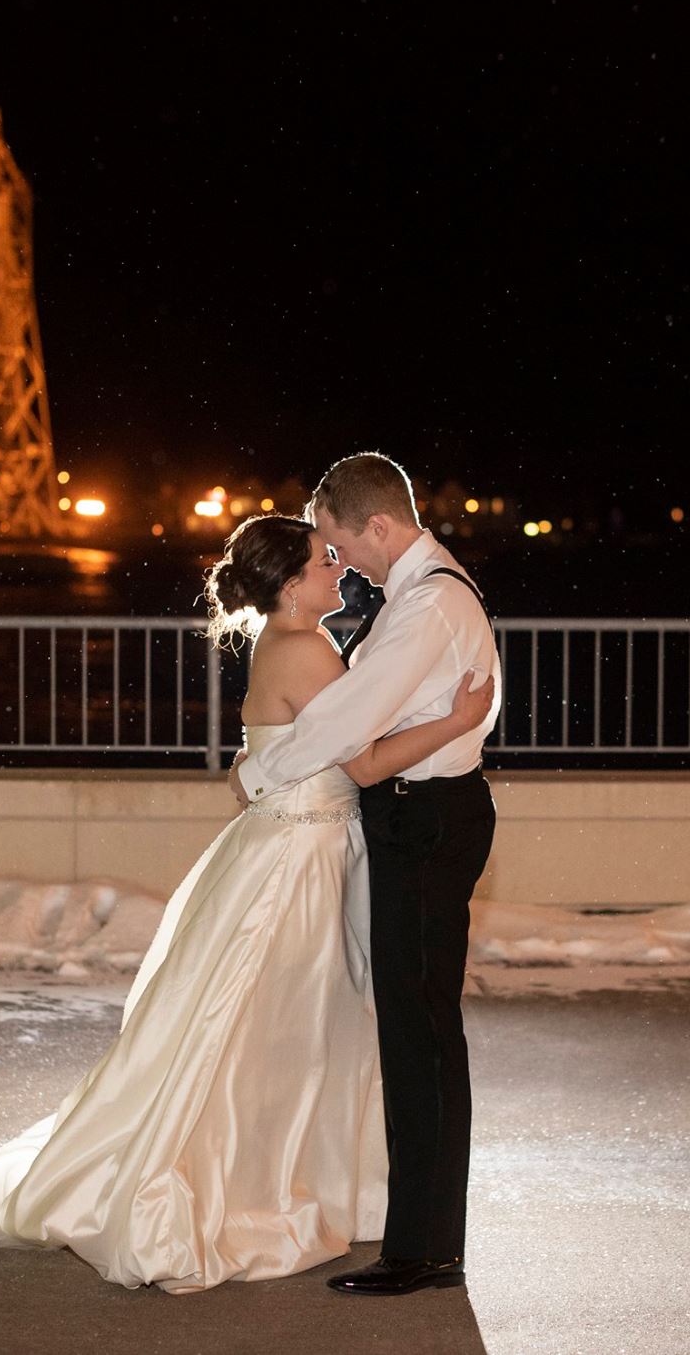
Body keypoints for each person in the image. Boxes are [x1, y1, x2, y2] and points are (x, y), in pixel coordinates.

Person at [0, 511, 494, 1295]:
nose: (336, 571)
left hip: (292, 845)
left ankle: (278, 1174)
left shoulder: (291, 646)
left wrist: (255, 769)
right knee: (282, 1032)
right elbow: (369, 762)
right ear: (285, 585)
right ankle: (261, 1184)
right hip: (299, 863)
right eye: (320, 562)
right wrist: (457, 720)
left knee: (271, 1030)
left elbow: (289, 753)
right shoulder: (309, 651)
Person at [228, 452, 500, 1297]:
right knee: (419, 1034)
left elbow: (350, 721)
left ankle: (420, 1249)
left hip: (424, 821)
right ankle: (426, 1237)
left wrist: (256, 774)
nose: (342, 559)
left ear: (376, 525)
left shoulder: (427, 606)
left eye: (341, 541)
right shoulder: (427, 594)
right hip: (422, 817)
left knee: (417, 1038)